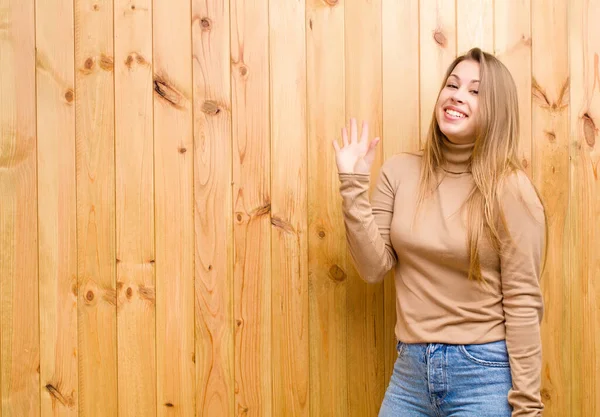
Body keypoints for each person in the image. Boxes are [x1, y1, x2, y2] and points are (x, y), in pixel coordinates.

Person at [333, 47, 546, 417]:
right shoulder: (399, 172)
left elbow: (524, 301)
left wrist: (527, 408)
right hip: (411, 375)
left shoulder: (512, 189)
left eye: (476, 91)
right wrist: (353, 184)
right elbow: (373, 268)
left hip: (484, 375)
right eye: (453, 84)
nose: (457, 96)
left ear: (498, 110)